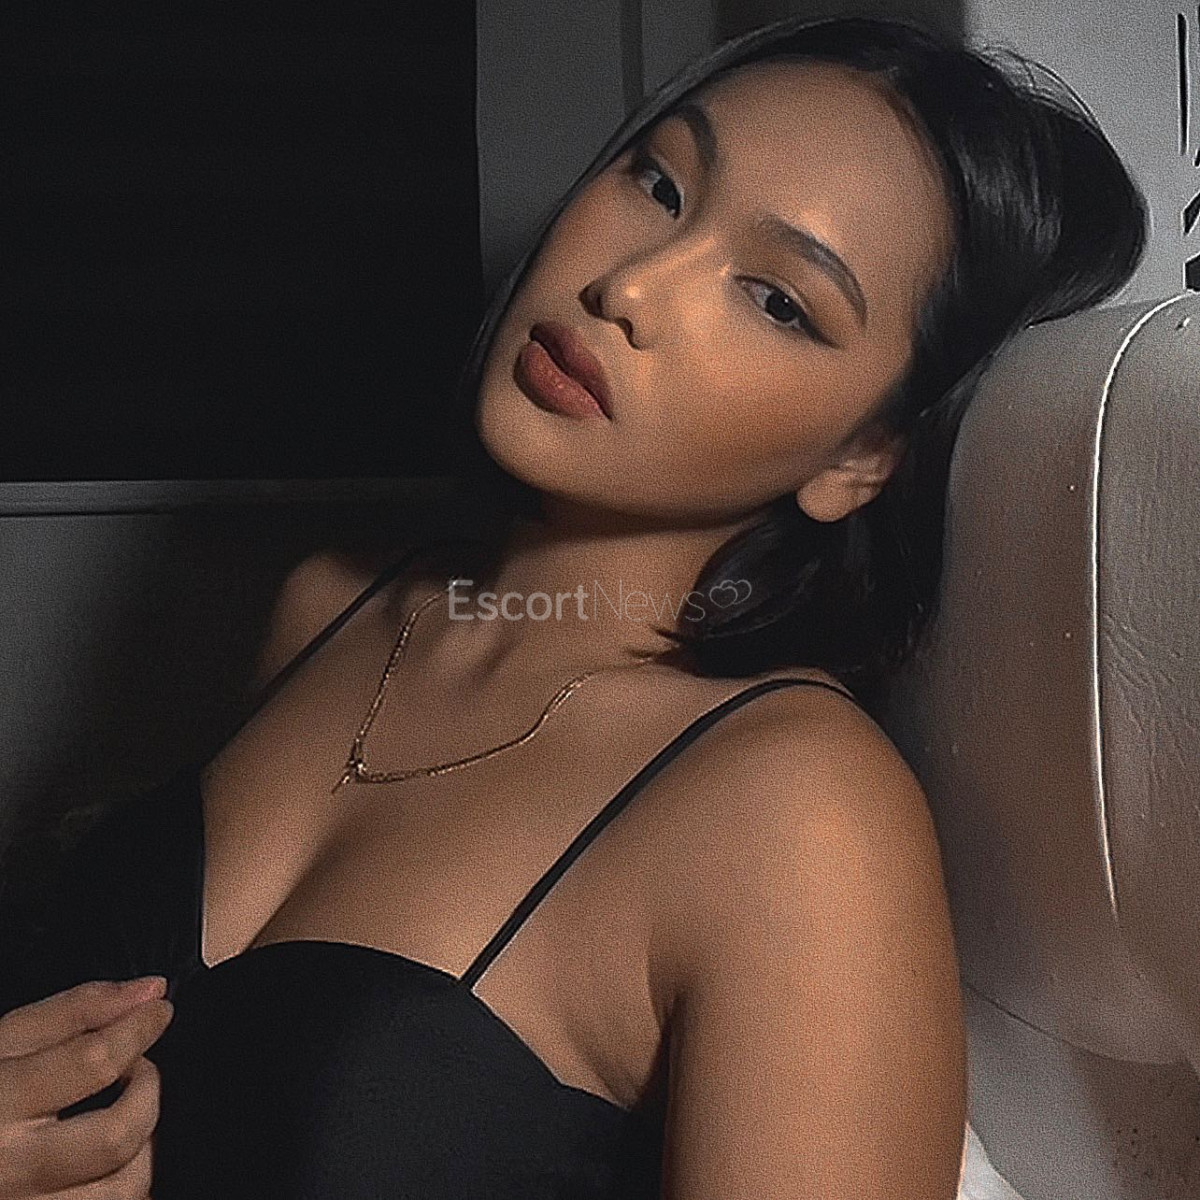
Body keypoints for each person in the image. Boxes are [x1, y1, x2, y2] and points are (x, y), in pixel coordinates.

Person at [0, 14, 1146, 1200]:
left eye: (776, 299)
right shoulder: (330, 606)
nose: (627, 287)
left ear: (861, 457)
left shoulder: (796, 820)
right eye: (660, 184)